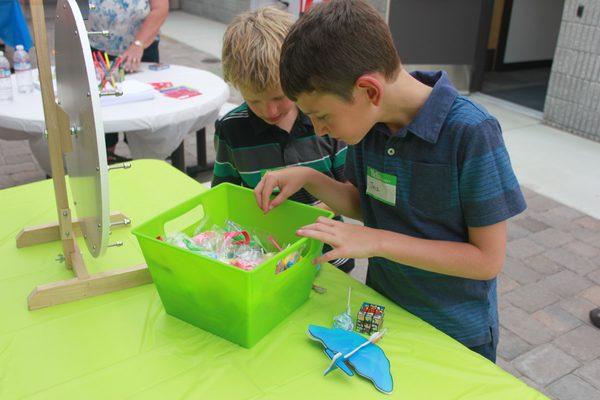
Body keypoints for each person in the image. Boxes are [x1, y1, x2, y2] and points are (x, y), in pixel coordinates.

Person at [253, 0, 527, 362]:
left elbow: (486, 260)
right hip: (383, 309)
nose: (319, 129)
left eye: (321, 116)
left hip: (455, 332)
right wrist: (310, 178)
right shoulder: (369, 125)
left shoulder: (472, 132)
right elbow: (367, 206)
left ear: (370, 91)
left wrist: (377, 241)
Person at [212, 6, 354, 273]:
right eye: (254, 101)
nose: (270, 111)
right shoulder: (231, 129)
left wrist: (300, 218)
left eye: (279, 97)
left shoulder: (326, 118)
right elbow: (225, 195)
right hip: (262, 262)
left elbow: (351, 191)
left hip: (329, 257)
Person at [88, 0, 169, 162]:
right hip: (98, 49)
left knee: (141, 111)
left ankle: (147, 162)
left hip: (141, 50)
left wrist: (138, 44)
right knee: (102, 109)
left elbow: (160, 8)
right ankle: (105, 160)